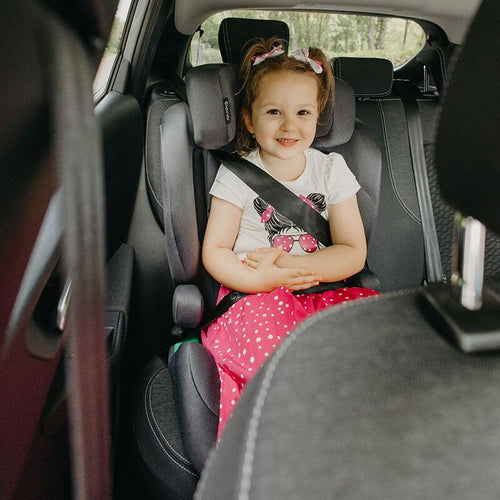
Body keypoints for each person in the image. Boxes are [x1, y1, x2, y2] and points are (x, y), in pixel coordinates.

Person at [201, 38, 379, 437]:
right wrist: (261, 280)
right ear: (248, 119)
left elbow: (352, 251)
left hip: (324, 290)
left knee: (370, 353)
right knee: (278, 363)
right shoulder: (235, 176)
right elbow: (215, 251)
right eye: (274, 112)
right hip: (255, 297)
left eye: (303, 112)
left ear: (318, 117)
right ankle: (285, 441)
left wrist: (293, 266)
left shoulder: (331, 170)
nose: (289, 125)